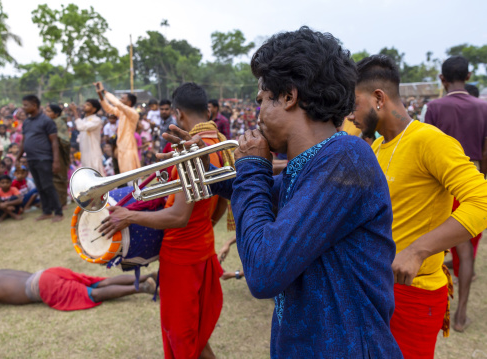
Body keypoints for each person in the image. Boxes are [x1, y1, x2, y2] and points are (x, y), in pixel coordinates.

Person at [160, 29, 402, 358]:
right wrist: (207, 165)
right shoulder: (315, 163)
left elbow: (263, 271)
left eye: (261, 100)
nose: (258, 113)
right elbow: (267, 194)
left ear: (288, 96)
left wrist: (251, 167)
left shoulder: (346, 157)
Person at [350, 54, 487, 358]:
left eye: (353, 103)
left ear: (378, 98)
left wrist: (417, 251)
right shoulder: (374, 147)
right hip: (377, 288)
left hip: (414, 293)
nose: (350, 115)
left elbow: (482, 200)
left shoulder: (430, 141)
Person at [99, 83, 229, 359]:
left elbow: (179, 216)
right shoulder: (217, 141)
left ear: (179, 114)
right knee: (194, 337)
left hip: (181, 255)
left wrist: (129, 215)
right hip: (202, 247)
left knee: (182, 338)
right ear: (207, 110)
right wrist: (203, 224)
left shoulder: (190, 148)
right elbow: (223, 198)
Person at [424, 56, 487, 333]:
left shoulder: (434, 107)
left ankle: (436, 311)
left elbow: (425, 147)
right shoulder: (483, 107)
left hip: (438, 184)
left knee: (431, 246)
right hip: (470, 180)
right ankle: (460, 316)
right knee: (466, 250)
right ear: (469, 74)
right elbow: (486, 152)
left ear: (442, 79)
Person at [0, 267, 156, 310]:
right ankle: (147, 276)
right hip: (47, 273)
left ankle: (142, 287)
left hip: (42, 286)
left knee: (92, 294)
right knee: (98, 282)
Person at [16, 95, 63, 222]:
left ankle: (58, 212)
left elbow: (54, 142)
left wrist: (56, 161)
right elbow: (23, 142)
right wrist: (18, 157)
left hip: (44, 158)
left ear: (34, 105)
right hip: (31, 159)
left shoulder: (46, 121)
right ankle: (47, 211)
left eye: (25, 105)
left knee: (48, 185)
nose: (23, 107)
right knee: (40, 186)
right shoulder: (26, 122)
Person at [96, 83, 141, 173]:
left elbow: (117, 104)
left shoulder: (133, 113)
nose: (120, 100)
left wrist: (104, 91)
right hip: (120, 146)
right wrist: (100, 95)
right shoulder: (122, 113)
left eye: (123, 98)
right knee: (123, 173)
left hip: (128, 147)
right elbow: (109, 109)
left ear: (129, 102)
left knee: (131, 173)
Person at [45, 104, 71, 207]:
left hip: (59, 151)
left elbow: (65, 140)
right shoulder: (50, 122)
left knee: (60, 176)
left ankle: (62, 203)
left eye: (48, 111)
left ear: (56, 114)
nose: (46, 113)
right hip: (51, 151)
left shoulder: (59, 123)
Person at [69, 100, 104, 176]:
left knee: (95, 173)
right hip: (84, 152)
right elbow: (80, 137)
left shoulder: (96, 120)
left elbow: (81, 127)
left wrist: (75, 112)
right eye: (85, 103)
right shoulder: (84, 120)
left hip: (93, 151)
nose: (84, 105)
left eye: (88, 104)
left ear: (94, 109)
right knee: (88, 174)